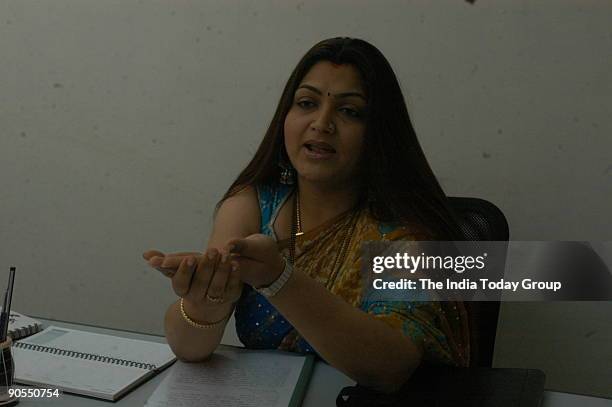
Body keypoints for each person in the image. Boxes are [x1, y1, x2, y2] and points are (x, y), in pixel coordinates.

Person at [143, 37, 470, 393]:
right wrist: (203, 301)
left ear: (379, 132)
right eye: (306, 103)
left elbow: (391, 368)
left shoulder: (402, 233)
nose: (322, 123)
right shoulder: (252, 206)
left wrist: (279, 278)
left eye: (349, 111)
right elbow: (190, 349)